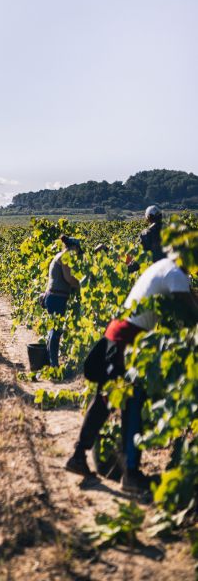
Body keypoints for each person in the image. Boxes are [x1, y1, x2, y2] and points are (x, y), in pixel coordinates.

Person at [65, 256, 198, 493]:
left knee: (106, 400)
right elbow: (191, 314)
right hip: (127, 342)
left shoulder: (163, 267)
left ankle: (79, 456)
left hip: (117, 335)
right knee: (132, 402)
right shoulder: (176, 275)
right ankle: (131, 474)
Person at [44, 234, 82, 367]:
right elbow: (69, 279)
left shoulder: (59, 255)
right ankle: (53, 364)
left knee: (53, 330)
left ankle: (50, 362)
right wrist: (83, 284)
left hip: (54, 297)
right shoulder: (65, 257)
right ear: (74, 247)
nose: (77, 254)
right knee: (56, 331)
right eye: (78, 250)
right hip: (57, 297)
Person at [127, 205, 165, 272]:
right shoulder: (171, 230)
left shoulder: (146, 233)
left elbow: (141, 257)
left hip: (154, 272)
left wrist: (127, 269)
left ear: (148, 218)